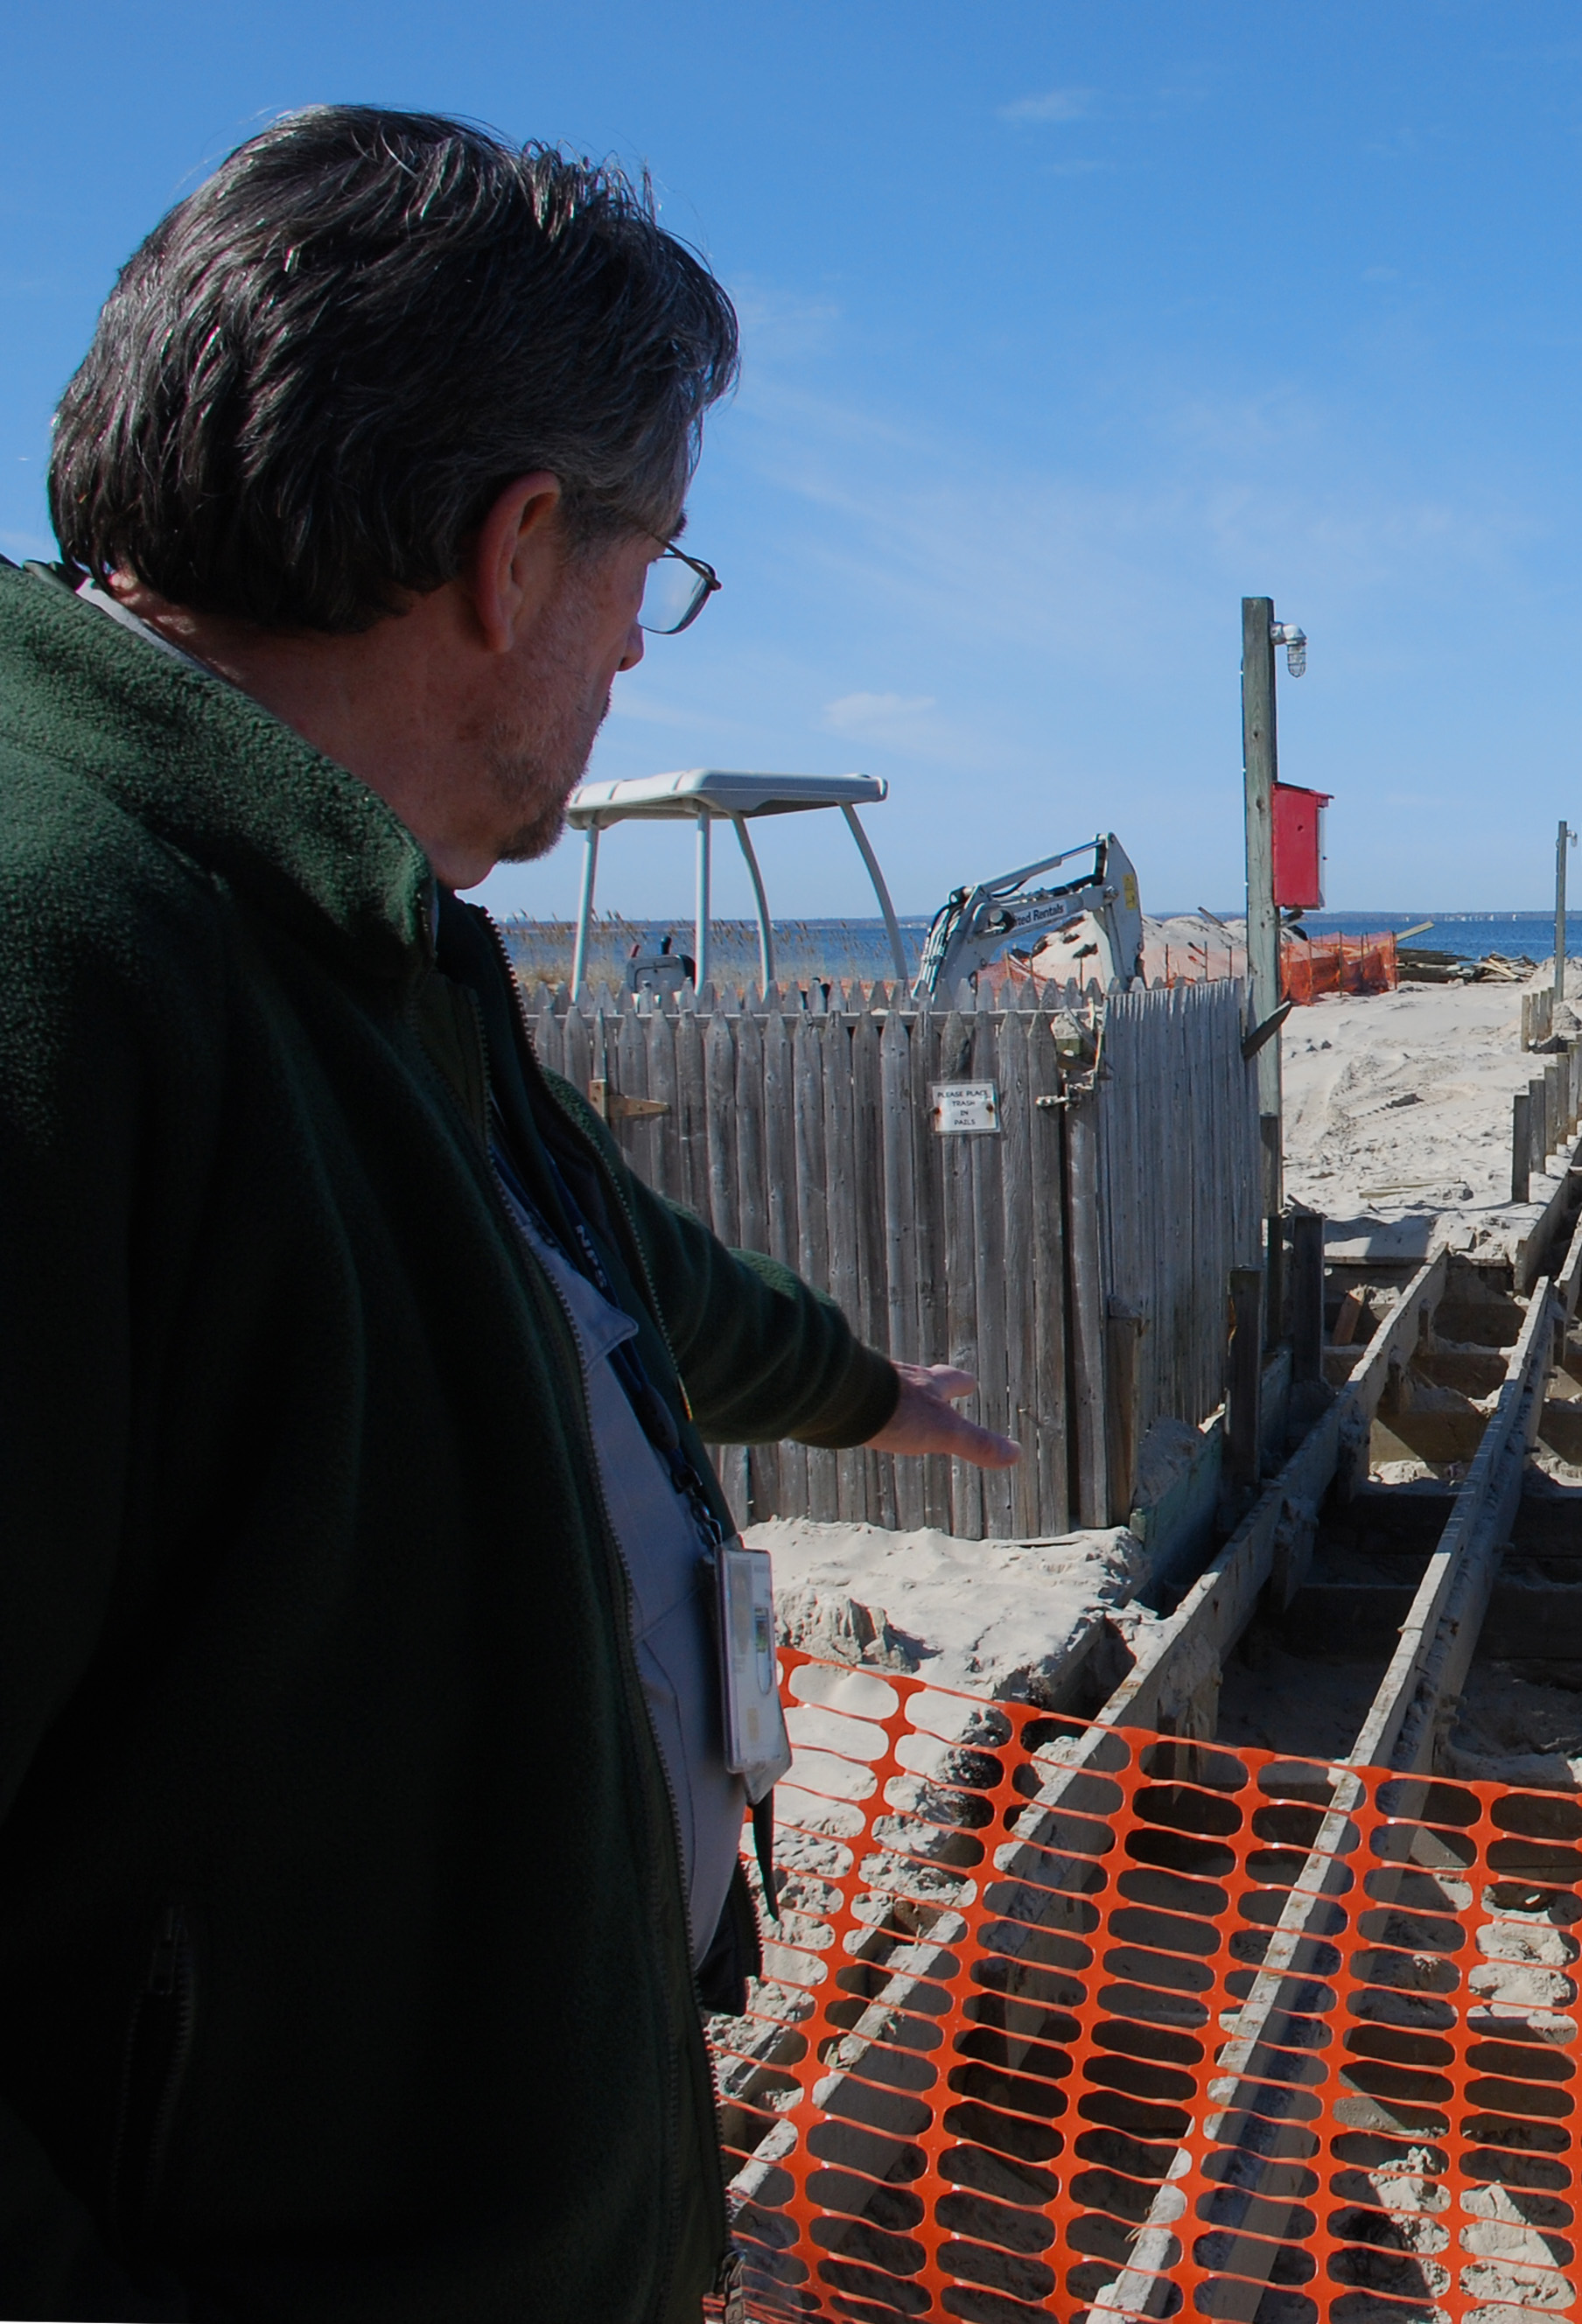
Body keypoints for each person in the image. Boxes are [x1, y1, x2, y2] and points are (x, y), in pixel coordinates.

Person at [0, 108, 1018, 2320]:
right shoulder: (60, 952)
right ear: (518, 548)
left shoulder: (340, 929)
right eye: (655, 575)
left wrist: (858, 1385)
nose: (639, 656)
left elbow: (580, 1274)